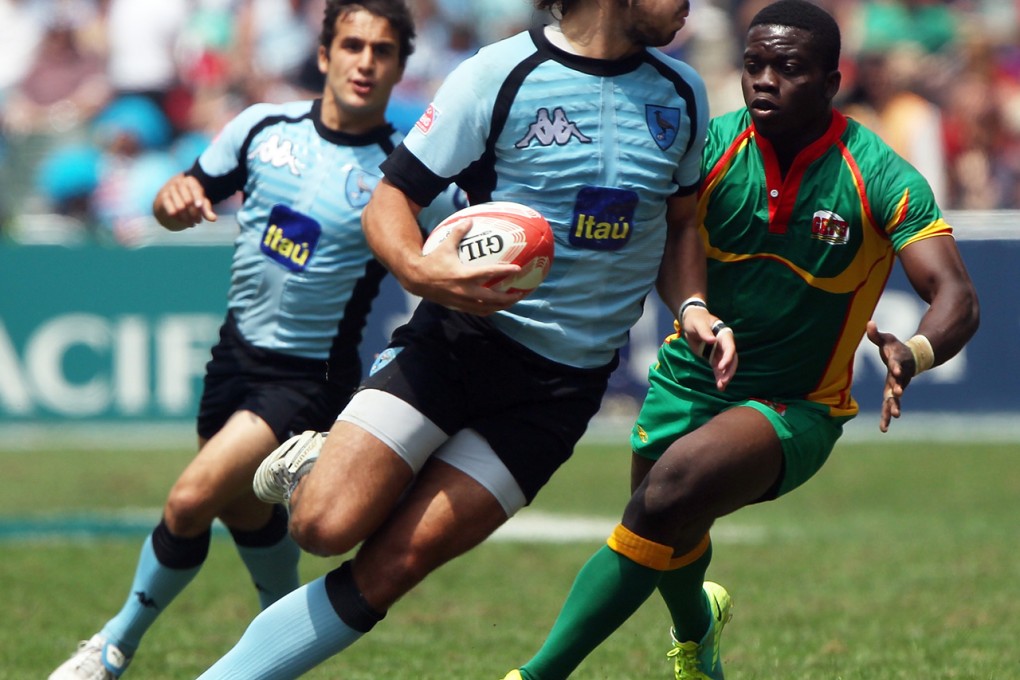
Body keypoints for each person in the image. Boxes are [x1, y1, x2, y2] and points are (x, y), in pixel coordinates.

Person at [196, 0, 737, 677]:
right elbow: (391, 198)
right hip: (456, 346)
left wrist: (691, 306)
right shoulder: (498, 75)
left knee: (394, 567)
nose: (687, 5)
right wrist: (423, 270)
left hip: (558, 391)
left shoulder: (682, 91)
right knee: (320, 526)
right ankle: (316, 458)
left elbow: (682, 225)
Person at [499, 2, 981, 679]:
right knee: (666, 524)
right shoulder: (708, 148)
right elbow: (666, 234)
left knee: (665, 498)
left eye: (787, 68)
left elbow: (956, 295)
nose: (764, 81)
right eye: (754, 65)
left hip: (796, 405)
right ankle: (700, 638)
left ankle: (537, 674)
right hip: (688, 380)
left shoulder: (878, 175)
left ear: (831, 81)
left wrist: (916, 351)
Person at [49, 1, 427, 677]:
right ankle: (281, 646)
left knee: (189, 500)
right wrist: (172, 200)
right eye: (353, 45)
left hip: (307, 379)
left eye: (382, 50)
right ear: (323, 55)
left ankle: (110, 648)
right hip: (234, 358)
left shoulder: (400, 176)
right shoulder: (261, 128)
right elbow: (181, 194)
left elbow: (452, 249)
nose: (365, 62)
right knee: (244, 516)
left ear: (400, 65)